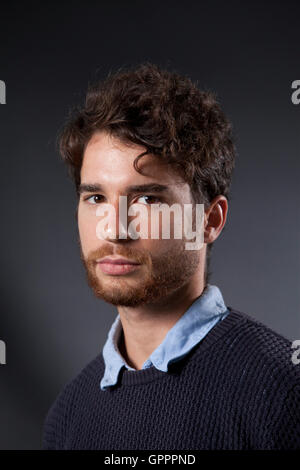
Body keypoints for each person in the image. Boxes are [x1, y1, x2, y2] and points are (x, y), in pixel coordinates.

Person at [42, 62, 300, 450]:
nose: (114, 229)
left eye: (148, 198)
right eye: (96, 197)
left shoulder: (282, 391)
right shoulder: (68, 415)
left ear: (209, 220)